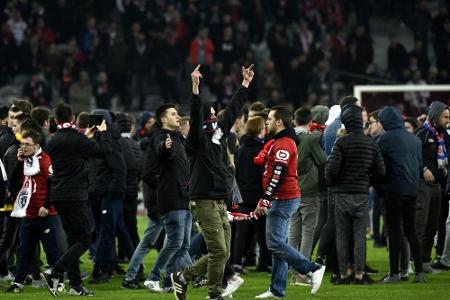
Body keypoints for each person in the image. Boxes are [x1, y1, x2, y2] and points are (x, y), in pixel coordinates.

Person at [171, 64, 254, 300]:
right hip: (203, 201)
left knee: (222, 252)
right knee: (219, 250)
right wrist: (195, 88)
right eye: (213, 116)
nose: (217, 119)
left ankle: (183, 277)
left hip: (219, 201)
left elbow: (234, 109)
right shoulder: (196, 142)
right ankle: (215, 292)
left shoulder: (218, 138)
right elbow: (196, 119)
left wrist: (245, 83)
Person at [254, 106, 325, 299]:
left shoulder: (284, 143)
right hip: (282, 198)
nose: (266, 122)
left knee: (275, 243)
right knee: (279, 245)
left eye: (269, 118)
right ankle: (277, 289)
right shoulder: (279, 141)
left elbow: (278, 174)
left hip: (283, 199)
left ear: (279, 122)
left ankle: (312, 268)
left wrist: (265, 200)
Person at [41, 103, 111, 296]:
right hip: (75, 194)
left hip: (58, 195)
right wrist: (103, 132)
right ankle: (55, 270)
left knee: (73, 239)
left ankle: (75, 285)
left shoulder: (51, 141)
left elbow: (70, 153)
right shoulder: (78, 140)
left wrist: (85, 138)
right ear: (72, 117)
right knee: (85, 239)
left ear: (56, 120)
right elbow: (104, 150)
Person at [325, 102, 385, 285]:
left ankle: (344, 275)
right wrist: (367, 182)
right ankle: (359, 274)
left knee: (342, 235)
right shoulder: (370, 143)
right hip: (361, 194)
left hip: (342, 194)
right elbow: (381, 171)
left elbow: (331, 170)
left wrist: (333, 184)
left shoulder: (341, 142)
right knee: (360, 236)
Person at [6, 130, 60, 293]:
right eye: (22, 144)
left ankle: (58, 283)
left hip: (45, 214)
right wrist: (19, 162)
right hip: (28, 214)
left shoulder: (44, 160)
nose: (23, 147)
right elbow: (13, 181)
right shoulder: (25, 161)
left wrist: (46, 205)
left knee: (52, 252)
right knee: (24, 252)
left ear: (36, 145)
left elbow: (53, 184)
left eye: (27, 144)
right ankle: (18, 284)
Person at [145, 104, 192, 292]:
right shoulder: (161, 137)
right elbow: (160, 150)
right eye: (173, 114)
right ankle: (153, 277)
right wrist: (164, 147)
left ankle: (168, 282)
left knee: (184, 245)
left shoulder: (178, 138)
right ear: (163, 119)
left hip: (185, 198)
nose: (178, 116)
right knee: (174, 242)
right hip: (172, 199)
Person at [377, 106, 425, 283]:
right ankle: (419, 273)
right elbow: (419, 167)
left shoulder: (385, 139)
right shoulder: (415, 139)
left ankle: (394, 274)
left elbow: (379, 166)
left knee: (395, 232)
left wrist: (379, 185)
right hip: (412, 190)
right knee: (411, 232)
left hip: (394, 190)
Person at [289, 107, 326, 285]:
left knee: (293, 233)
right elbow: (322, 160)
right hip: (308, 190)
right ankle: (303, 273)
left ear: (295, 120)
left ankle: (293, 271)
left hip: (290, 189)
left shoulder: (287, 137)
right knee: (307, 232)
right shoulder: (309, 139)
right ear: (310, 123)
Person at [415, 101, 449, 272]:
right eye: (445, 117)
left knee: (432, 225)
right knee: (420, 225)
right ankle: (412, 262)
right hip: (423, 186)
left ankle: (425, 261)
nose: (447, 120)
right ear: (435, 116)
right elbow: (413, 154)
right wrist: (424, 169)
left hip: (437, 186)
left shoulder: (441, 136)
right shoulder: (422, 133)